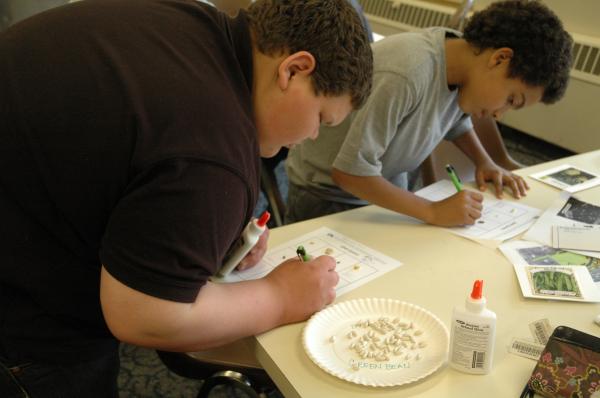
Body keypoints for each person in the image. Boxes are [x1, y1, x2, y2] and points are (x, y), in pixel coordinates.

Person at [0, 0, 373, 396]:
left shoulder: (193, 21)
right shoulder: (212, 148)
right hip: (24, 321)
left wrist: (203, 231)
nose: (313, 136)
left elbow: (141, 160)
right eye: (322, 118)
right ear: (294, 69)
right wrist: (280, 297)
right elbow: (143, 316)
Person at [285, 0, 572, 227]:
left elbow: (454, 117)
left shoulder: (462, 62)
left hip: (385, 184)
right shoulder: (408, 73)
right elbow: (349, 173)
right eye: (511, 99)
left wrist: (484, 161)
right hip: (329, 196)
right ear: (499, 58)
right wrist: (433, 211)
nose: (500, 114)